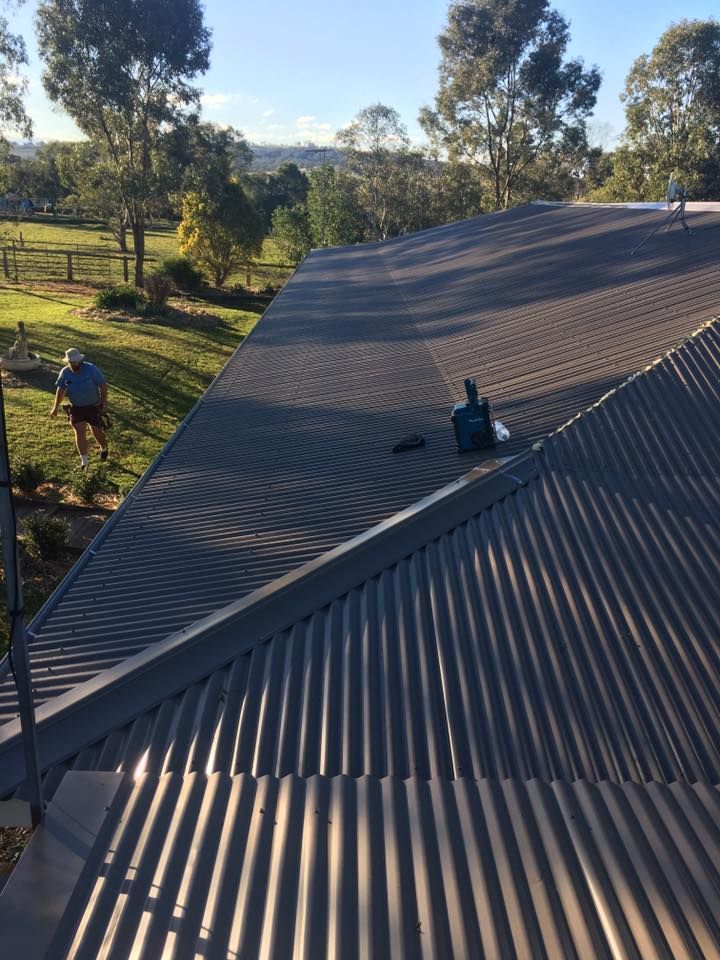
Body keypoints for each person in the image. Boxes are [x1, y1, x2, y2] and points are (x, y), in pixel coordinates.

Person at [49, 348, 109, 469]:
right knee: (80, 433)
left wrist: (103, 404)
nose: (74, 364)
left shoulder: (91, 369)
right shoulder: (65, 372)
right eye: (72, 362)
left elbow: (103, 386)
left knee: (96, 432)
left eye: (76, 362)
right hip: (77, 408)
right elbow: (60, 390)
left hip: (93, 406)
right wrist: (55, 408)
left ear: (80, 360)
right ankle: (84, 462)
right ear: (68, 362)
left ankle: (104, 447)